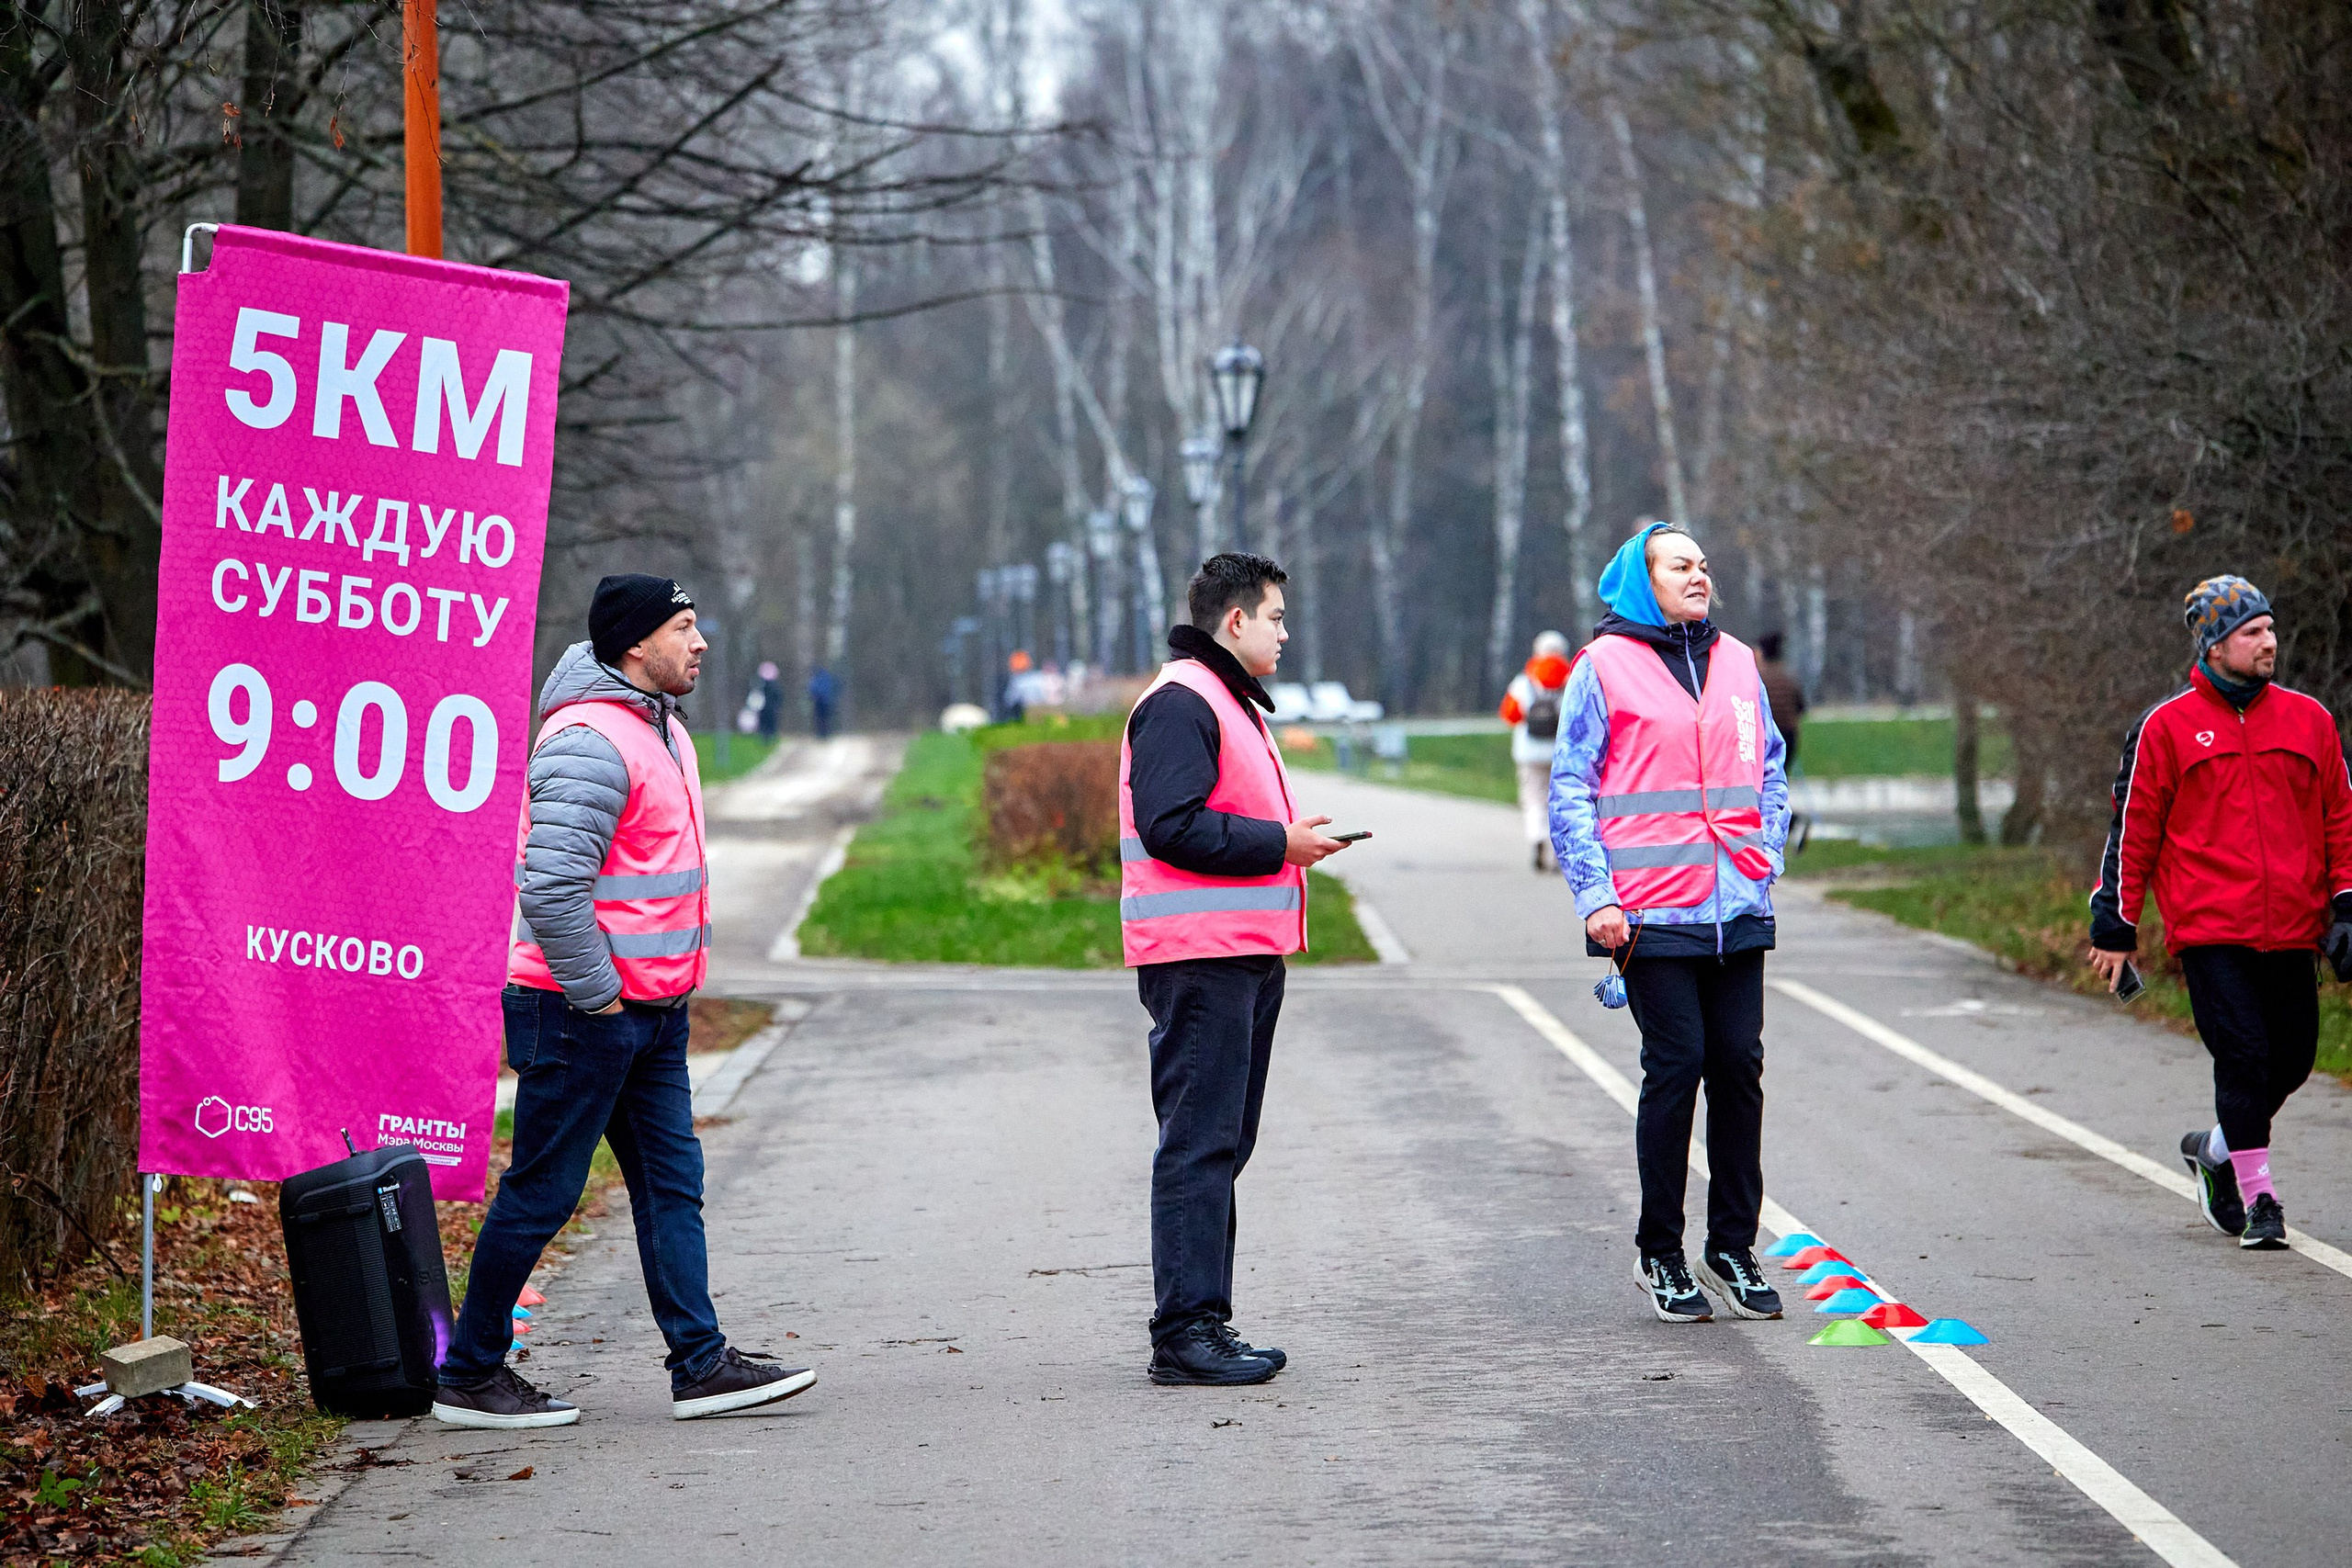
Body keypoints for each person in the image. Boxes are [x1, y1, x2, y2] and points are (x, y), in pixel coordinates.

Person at [434, 575, 814, 1428]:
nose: (701, 641)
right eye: (685, 626)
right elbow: (553, 887)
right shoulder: (586, 741)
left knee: (672, 1184)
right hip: (582, 1012)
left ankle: (701, 1362)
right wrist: (603, 1001)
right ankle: (469, 1374)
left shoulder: (661, 729)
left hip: (649, 1014)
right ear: (636, 644)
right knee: (542, 1190)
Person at [1550, 523, 1792, 1325]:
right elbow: (1571, 788)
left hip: (1738, 903)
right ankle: (1660, 1250)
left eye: (1703, 563)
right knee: (1677, 1062)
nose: (1700, 574)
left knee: (1739, 1068)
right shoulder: (1602, 667)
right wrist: (1596, 897)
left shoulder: (1736, 662)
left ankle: (1731, 1245)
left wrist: (1767, 855)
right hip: (1647, 912)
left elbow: (1770, 765)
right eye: (1680, 564)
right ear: (1640, 579)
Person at [1120, 552, 1351, 1385]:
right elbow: (1169, 824)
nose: (1286, 632)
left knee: (1221, 1142)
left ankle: (1203, 1320)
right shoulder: (1184, 701)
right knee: (1200, 1143)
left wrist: (1288, 841)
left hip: (1237, 954)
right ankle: (1184, 1331)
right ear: (1235, 621)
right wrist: (1277, 844)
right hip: (1200, 960)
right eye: (1277, 617)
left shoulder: (1224, 700)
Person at [2088, 575, 2352, 1250]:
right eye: (2252, 633)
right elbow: (2134, 829)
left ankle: (2215, 1148)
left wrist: (2346, 903)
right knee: (2244, 1056)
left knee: (2291, 1060)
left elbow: (2341, 818)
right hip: (2210, 929)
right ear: (2214, 644)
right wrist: (2115, 926)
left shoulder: (2310, 719)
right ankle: (2261, 1200)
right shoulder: (2166, 727)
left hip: (2294, 926)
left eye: (2270, 629)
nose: (2270, 642)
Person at [1500, 631, 1573, 873]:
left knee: (1534, 800)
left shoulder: (1524, 682)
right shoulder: (1572, 679)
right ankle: (1555, 853)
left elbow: (1510, 714)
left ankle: (1537, 837)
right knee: (1560, 803)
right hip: (1562, 753)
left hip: (1529, 753)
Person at [808, 664, 840, 739]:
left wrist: (813, 696)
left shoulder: (816, 679)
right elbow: (833, 689)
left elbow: (812, 689)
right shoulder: (828, 678)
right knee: (826, 718)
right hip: (827, 702)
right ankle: (826, 733)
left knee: (819, 718)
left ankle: (820, 733)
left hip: (818, 701)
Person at [756, 660, 783, 740]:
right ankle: (771, 736)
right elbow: (778, 696)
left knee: (765, 723)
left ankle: (765, 736)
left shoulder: (761, 684)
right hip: (771, 707)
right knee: (771, 723)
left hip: (764, 707)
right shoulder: (774, 685)